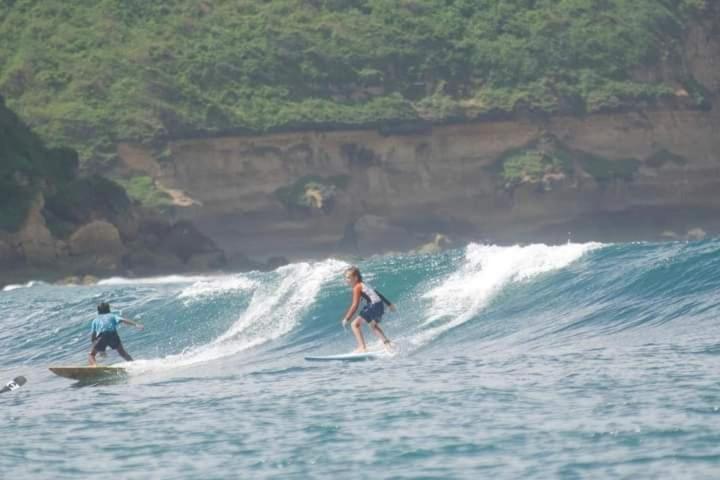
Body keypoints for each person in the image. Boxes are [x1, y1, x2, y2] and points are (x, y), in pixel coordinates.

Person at [341, 266, 396, 353]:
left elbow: (355, 305)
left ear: (355, 278)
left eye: (348, 277)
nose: (346, 279)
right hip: (379, 305)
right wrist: (389, 304)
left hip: (373, 305)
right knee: (372, 325)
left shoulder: (357, 287)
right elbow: (378, 294)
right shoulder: (364, 284)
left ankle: (362, 347)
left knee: (354, 324)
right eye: (346, 277)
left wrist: (346, 318)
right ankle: (387, 342)